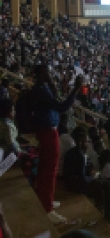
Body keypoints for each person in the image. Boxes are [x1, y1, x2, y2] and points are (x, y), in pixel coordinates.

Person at [31, 64, 83, 223]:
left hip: (48, 131)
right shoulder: (40, 90)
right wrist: (75, 89)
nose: (50, 72)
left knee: (46, 168)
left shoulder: (43, 87)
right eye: (47, 71)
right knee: (49, 169)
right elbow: (62, 107)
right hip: (48, 132)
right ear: (40, 73)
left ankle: (45, 198)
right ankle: (47, 209)